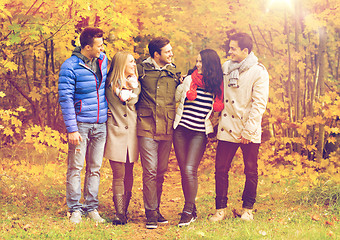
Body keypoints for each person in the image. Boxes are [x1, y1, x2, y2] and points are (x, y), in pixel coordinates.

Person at [210, 32, 269, 222]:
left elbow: (259, 104)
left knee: (250, 169)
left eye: (233, 48)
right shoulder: (226, 67)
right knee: (220, 169)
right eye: (230, 47)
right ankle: (220, 209)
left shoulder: (258, 71)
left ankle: (247, 209)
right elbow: (213, 84)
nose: (230, 51)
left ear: (245, 50)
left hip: (247, 128)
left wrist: (249, 130)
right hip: (227, 126)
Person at [58, 27, 108, 224]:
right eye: (99, 45)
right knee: (76, 167)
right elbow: (65, 98)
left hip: (101, 124)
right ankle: (75, 209)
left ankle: (92, 208)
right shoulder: (70, 67)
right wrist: (72, 129)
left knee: (95, 168)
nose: (102, 48)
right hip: (80, 124)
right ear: (87, 47)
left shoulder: (103, 61)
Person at [173, 49, 224, 227]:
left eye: (201, 62)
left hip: (199, 133)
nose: (197, 65)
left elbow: (219, 108)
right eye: (197, 61)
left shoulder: (217, 85)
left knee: (189, 169)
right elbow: (177, 98)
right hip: (180, 131)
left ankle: (187, 210)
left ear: (210, 64)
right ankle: (191, 208)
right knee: (184, 171)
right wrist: (180, 85)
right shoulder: (189, 79)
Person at [136, 37, 181, 229]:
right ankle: (151, 213)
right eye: (168, 51)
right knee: (150, 171)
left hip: (167, 127)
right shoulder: (141, 70)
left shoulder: (173, 71)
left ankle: (157, 208)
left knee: (161, 171)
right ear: (156, 54)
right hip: (146, 125)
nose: (171, 54)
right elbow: (122, 83)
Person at [104, 52, 140, 225]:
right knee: (119, 174)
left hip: (132, 133)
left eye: (134, 61)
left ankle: (124, 210)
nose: (134, 64)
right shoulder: (109, 85)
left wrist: (130, 87)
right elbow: (101, 102)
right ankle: (119, 214)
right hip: (115, 132)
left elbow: (133, 102)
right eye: (131, 62)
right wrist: (105, 113)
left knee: (129, 173)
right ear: (121, 65)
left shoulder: (135, 84)